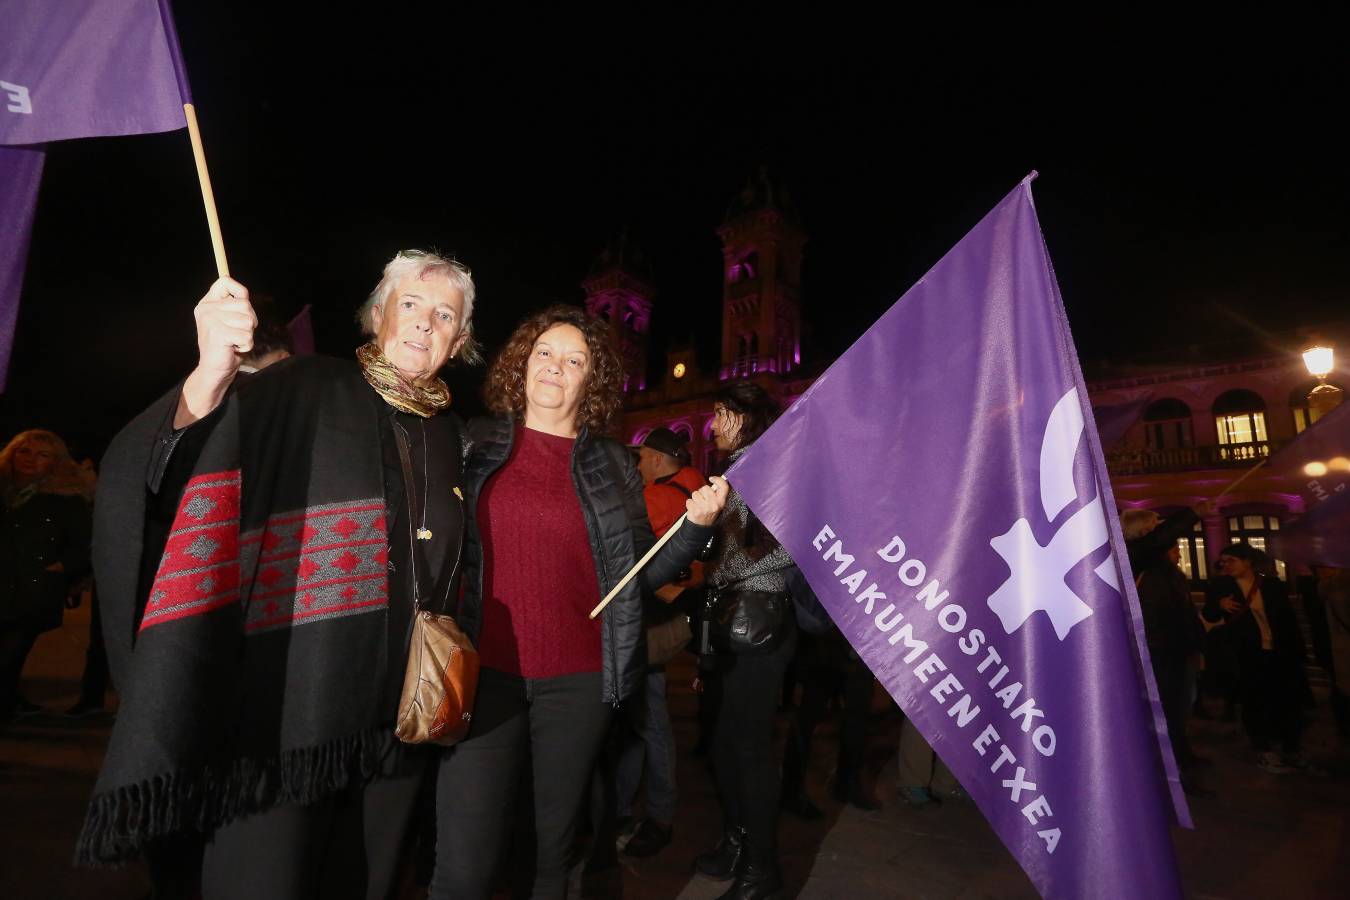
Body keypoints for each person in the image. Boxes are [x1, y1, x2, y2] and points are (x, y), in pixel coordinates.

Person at [77, 250, 480, 900]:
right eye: (410, 304)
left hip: (401, 723)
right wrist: (209, 377)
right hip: (287, 714)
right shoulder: (303, 388)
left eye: (444, 315)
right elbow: (181, 474)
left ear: (458, 341)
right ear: (378, 314)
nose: (424, 324)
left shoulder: (451, 435)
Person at [432, 306, 727, 900]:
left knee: (553, 848)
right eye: (545, 352)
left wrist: (695, 530)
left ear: (590, 381)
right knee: (465, 857)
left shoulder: (614, 465)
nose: (555, 368)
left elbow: (642, 575)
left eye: (574, 361)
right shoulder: (474, 441)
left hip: (577, 681)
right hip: (483, 673)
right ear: (522, 363)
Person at [693, 381, 797, 900]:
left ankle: (762, 869)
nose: (713, 425)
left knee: (751, 747)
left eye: (721, 414)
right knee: (726, 742)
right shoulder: (738, 467)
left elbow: (788, 547)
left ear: (744, 416)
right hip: (731, 617)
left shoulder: (767, 466)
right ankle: (737, 840)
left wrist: (724, 561)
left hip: (760, 618)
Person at [615, 427, 707, 858]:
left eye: (640, 459)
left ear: (653, 459)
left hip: (645, 624)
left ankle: (658, 813)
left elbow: (630, 563)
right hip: (671, 621)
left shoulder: (655, 499)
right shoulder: (693, 492)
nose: (636, 466)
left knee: (648, 719)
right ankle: (626, 805)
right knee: (639, 717)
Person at [0, 430, 94, 722]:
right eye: (24, 451)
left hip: (34, 589)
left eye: (42, 454)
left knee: (10, 656)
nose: (30, 459)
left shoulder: (67, 498)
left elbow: (86, 541)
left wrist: (66, 566)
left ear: (56, 462)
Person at [1203, 542, 1317, 775]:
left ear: (1248, 562)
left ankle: (1291, 747)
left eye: (1231, 560)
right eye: (1223, 562)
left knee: (1287, 701)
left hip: (1279, 652)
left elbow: (1287, 619)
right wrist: (1218, 604)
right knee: (1255, 701)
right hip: (1248, 654)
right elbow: (1210, 615)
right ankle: (1264, 749)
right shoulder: (1220, 586)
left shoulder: (1272, 585)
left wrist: (1298, 651)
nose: (1226, 565)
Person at [1121, 508, 1208, 788]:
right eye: (1156, 524)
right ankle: (1168, 770)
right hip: (1155, 653)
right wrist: (1192, 514)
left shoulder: (1164, 569)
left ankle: (1181, 757)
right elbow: (1155, 542)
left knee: (1179, 708)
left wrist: (1197, 647)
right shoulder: (1133, 557)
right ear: (1144, 531)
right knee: (1163, 712)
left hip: (1177, 650)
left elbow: (1185, 610)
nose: (1162, 528)